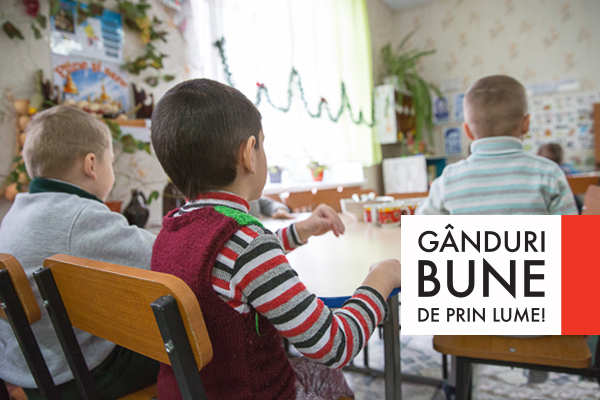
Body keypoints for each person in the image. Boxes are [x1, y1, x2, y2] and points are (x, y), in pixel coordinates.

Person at [150, 79, 401, 400]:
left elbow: (235, 265)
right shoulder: (246, 243)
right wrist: (382, 277)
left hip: (190, 392)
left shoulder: (173, 229)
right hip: (256, 393)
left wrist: (301, 230)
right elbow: (334, 345)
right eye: (263, 145)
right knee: (329, 371)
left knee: (322, 375)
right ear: (249, 154)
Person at [0, 106, 159, 399]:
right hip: (74, 376)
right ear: (91, 164)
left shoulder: (16, 211)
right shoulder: (81, 216)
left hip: (26, 368)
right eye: (111, 162)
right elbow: (162, 257)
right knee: (181, 343)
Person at [417, 75, 577, 216]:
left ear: (467, 131)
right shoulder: (549, 174)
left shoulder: (448, 180)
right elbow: (573, 239)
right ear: (526, 124)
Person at [537, 143, 582, 213]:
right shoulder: (566, 168)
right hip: (574, 205)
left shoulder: (540, 173)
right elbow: (580, 175)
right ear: (561, 158)